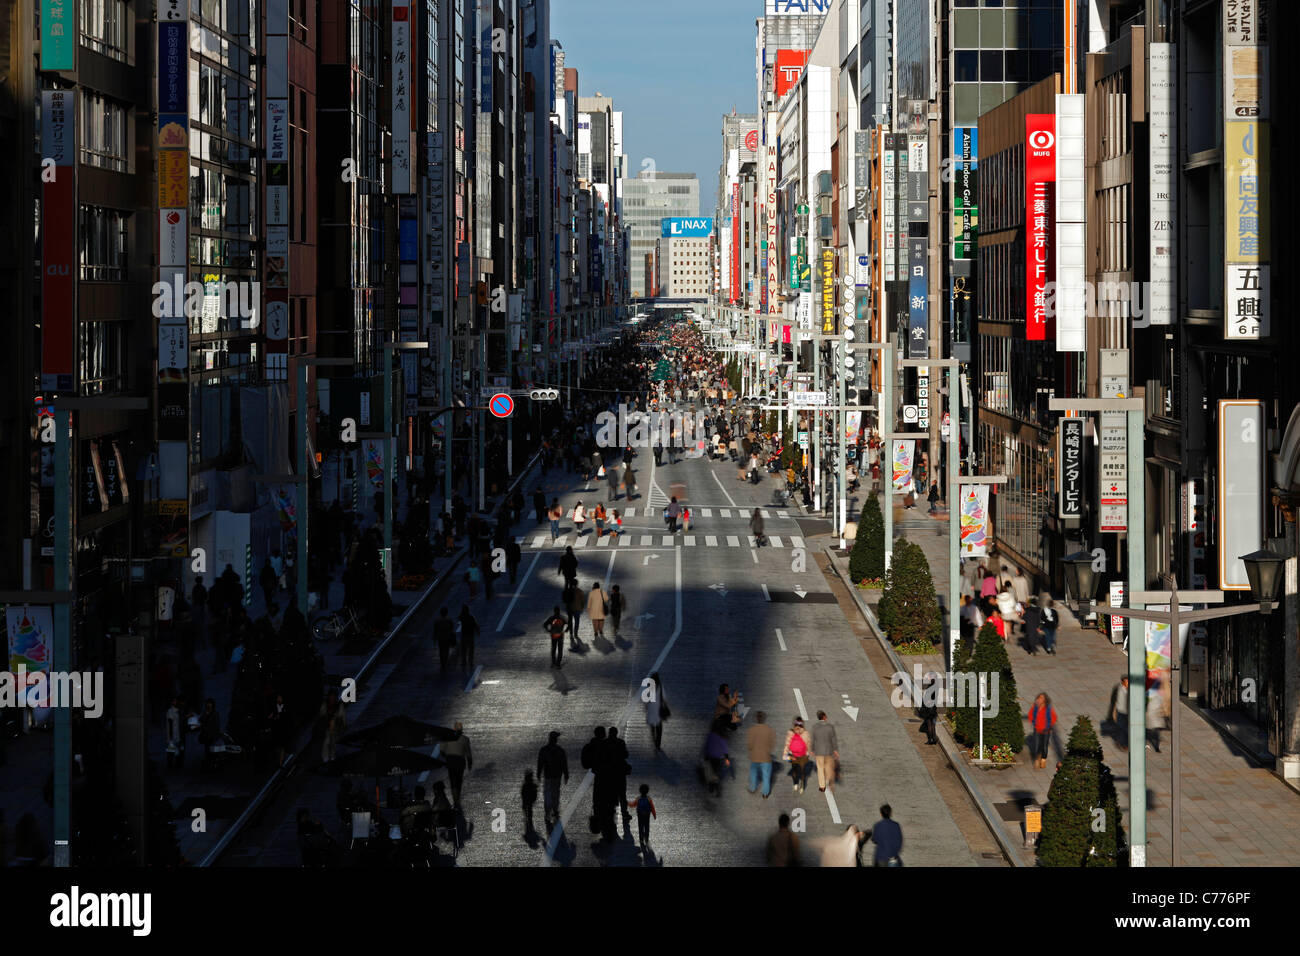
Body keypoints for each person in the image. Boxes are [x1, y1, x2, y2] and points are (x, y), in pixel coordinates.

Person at [536, 731, 569, 830]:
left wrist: (538, 773)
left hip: (548, 776)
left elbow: (540, 763)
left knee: (547, 794)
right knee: (555, 793)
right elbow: (564, 763)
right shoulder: (560, 750)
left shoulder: (544, 750)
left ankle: (547, 812)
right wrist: (566, 774)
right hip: (557, 776)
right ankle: (555, 810)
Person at [441, 722, 472, 809]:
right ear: (461, 730)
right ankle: (457, 798)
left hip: (451, 762)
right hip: (460, 763)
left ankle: (455, 800)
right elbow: (468, 753)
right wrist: (470, 763)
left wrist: (447, 756)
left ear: (454, 729)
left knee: (453, 781)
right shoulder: (465, 739)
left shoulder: (447, 738)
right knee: (459, 781)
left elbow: (442, 751)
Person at [746, 710, 775, 798]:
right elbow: (772, 743)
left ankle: (752, 788)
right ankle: (765, 793)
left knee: (753, 773)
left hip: (754, 756)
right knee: (766, 776)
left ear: (756, 719)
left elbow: (750, 745)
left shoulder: (752, 730)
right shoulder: (769, 730)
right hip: (766, 756)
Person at [811, 710, 839, 793]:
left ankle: (822, 786)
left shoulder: (814, 727)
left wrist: (812, 749)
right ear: (824, 716)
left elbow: (813, 739)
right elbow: (833, 739)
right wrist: (835, 750)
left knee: (820, 769)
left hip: (819, 752)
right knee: (828, 767)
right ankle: (828, 780)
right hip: (829, 751)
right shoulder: (830, 727)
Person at [1027, 692, 1057, 769]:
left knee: (1044, 746)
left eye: (1042, 698)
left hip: (1046, 731)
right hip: (1037, 730)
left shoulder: (1048, 709)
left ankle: (1043, 759)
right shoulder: (1035, 707)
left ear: (1045, 700)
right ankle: (1037, 759)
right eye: (1039, 697)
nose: (1039, 699)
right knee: (1037, 745)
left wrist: (1049, 726)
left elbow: (1054, 718)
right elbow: (1030, 715)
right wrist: (1034, 723)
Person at [783, 716, 812, 793]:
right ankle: (797, 784)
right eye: (797, 724)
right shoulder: (793, 733)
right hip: (795, 755)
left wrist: (809, 752)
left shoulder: (804, 733)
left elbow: (808, 744)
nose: (798, 726)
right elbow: (787, 744)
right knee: (797, 770)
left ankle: (799, 784)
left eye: (799, 724)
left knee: (799, 770)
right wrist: (785, 754)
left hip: (800, 755)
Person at [703, 718, 731, 797]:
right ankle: (717, 787)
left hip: (711, 756)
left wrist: (705, 755)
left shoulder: (710, 735)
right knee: (717, 772)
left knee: (711, 772)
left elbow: (707, 746)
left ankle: (712, 786)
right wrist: (727, 758)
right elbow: (724, 748)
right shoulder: (721, 736)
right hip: (719, 757)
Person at [645, 671, 667, 750]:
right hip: (658, 708)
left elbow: (646, 699)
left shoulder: (649, 687)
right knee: (659, 726)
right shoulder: (660, 687)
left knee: (652, 726)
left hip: (651, 708)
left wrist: (646, 707)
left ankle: (654, 740)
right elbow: (664, 698)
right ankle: (658, 744)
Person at [629, 784, 656, 849]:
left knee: (640, 827)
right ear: (647, 791)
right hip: (647, 815)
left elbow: (633, 804)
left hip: (640, 815)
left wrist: (628, 803)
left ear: (640, 791)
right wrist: (654, 814)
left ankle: (641, 839)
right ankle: (646, 838)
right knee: (647, 826)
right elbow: (652, 807)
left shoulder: (638, 798)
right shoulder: (649, 799)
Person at [198, 698, 221, 770]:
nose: (209, 705)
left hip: (212, 735)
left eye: (210, 703)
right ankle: (207, 765)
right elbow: (200, 720)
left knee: (213, 751)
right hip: (206, 736)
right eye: (208, 703)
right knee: (207, 750)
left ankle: (213, 765)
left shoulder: (215, 713)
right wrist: (205, 715)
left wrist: (216, 734)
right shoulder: (205, 713)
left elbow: (217, 725)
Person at [1109, 675, 1130, 750]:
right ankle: (1123, 743)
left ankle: (1125, 743)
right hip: (1120, 712)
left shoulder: (1131, 690)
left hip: (1129, 712)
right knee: (1122, 728)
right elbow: (1114, 700)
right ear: (1122, 682)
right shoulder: (1118, 689)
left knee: (1127, 728)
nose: (1128, 683)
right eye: (1126, 681)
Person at [433, 606, 456, 672]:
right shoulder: (449, 619)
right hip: (447, 637)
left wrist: (435, 637)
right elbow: (452, 628)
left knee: (441, 650)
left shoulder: (437, 620)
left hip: (440, 637)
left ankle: (442, 662)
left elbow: (435, 629)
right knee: (446, 650)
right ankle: (445, 661)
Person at [918, 678, 940, 745]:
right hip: (933, 709)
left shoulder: (931, 688)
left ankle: (930, 739)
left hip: (929, 709)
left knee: (929, 724)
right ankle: (934, 739)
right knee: (932, 724)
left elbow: (928, 699)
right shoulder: (936, 688)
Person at [457, 605, 479, 669]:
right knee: (471, 649)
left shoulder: (462, 616)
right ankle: (470, 661)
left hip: (464, 635)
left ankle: (464, 661)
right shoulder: (471, 617)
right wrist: (477, 630)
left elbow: (458, 618)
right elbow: (475, 624)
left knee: (463, 649)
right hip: (470, 635)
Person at [565, 581, 586, 646]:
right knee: (577, 621)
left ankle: (571, 633)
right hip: (577, 608)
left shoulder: (568, 591)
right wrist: (582, 607)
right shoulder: (580, 591)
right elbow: (583, 600)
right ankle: (575, 633)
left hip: (570, 609)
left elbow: (565, 599)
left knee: (570, 621)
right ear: (577, 584)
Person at [521, 771, 538, 836]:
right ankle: (529, 818)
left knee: (526, 808)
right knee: (530, 809)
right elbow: (535, 789)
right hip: (530, 799)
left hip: (525, 799)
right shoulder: (532, 784)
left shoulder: (525, 784)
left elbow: (522, 792)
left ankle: (527, 816)